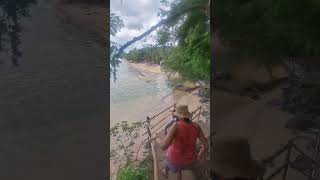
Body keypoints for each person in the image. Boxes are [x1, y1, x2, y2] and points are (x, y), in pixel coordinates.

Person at [160, 104, 209, 180]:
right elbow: (206, 146)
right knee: (178, 161)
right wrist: (200, 156)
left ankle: (165, 173)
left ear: (178, 115)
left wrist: (167, 136)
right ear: (187, 115)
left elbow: (163, 147)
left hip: (175, 159)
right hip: (191, 160)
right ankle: (178, 174)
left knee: (167, 157)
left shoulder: (176, 125)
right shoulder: (196, 126)